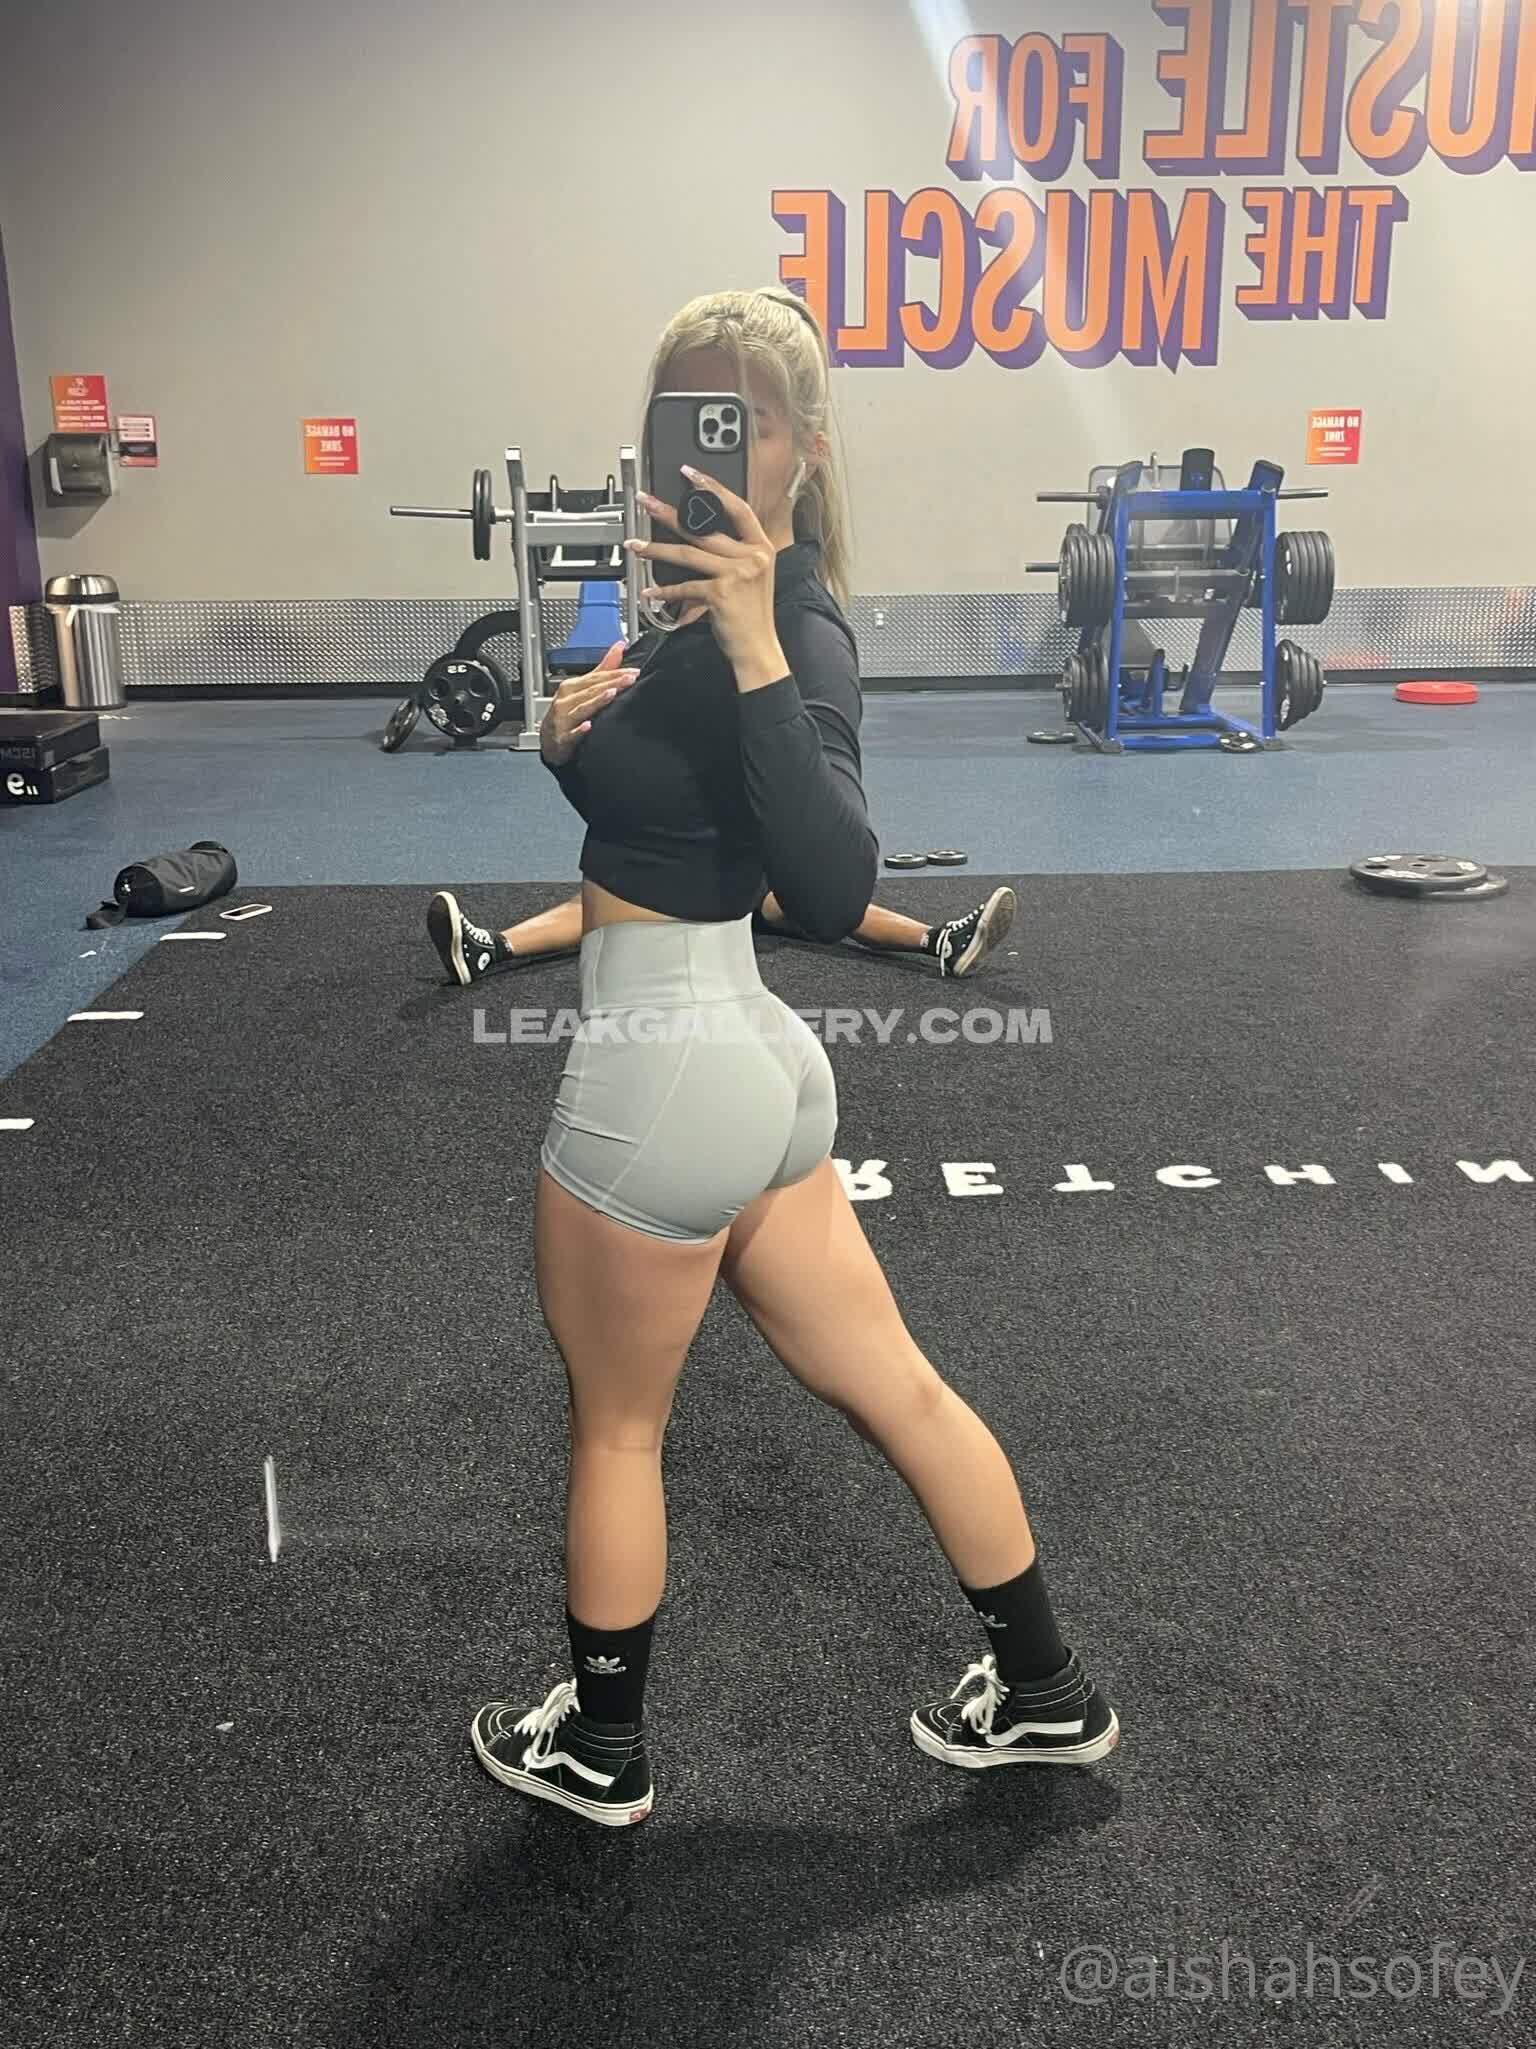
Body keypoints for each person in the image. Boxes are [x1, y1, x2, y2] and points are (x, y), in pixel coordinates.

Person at [468, 286, 1117, 1827]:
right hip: (743, 1063)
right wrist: (568, 747)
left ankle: (600, 1749)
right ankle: (1045, 1692)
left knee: (618, 1429)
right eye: (678, 419)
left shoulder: (792, 623)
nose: (703, 452)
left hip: (665, 1069)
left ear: (805, 451)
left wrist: (758, 638)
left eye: (741, 423)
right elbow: (666, 823)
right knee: (899, 1388)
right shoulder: (686, 612)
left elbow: (828, 885)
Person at [427, 882, 1017, 984]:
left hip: (747, 885)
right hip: (696, 878)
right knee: (603, 899)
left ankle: (942, 942)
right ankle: (488, 950)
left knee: (820, 898)